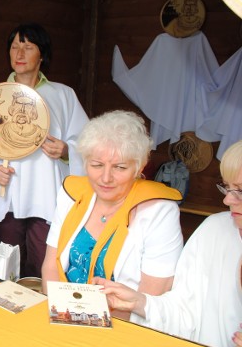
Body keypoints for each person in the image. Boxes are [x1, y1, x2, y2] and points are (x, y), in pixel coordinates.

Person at [0, 23, 89, 278]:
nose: (19, 54)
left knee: (45, 266)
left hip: (47, 197)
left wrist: (66, 150)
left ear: (42, 55)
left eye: (28, 47)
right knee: (5, 267)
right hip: (5, 196)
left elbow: (88, 144)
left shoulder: (63, 95)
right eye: (14, 47)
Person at [95, 140, 242, 347]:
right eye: (227, 187)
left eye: (240, 191)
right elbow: (184, 312)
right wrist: (140, 302)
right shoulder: (215, 231)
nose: (228, 199)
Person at [41, 110, 184, 321]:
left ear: (139, 166)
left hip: (124, 327)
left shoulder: (159, 211)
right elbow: (51, 265)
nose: (106, 177)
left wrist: (93, 324)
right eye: (96, 165)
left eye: (120, 167)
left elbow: (153, 298)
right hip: (63, 316)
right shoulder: (72, 194)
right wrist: (61, 315)